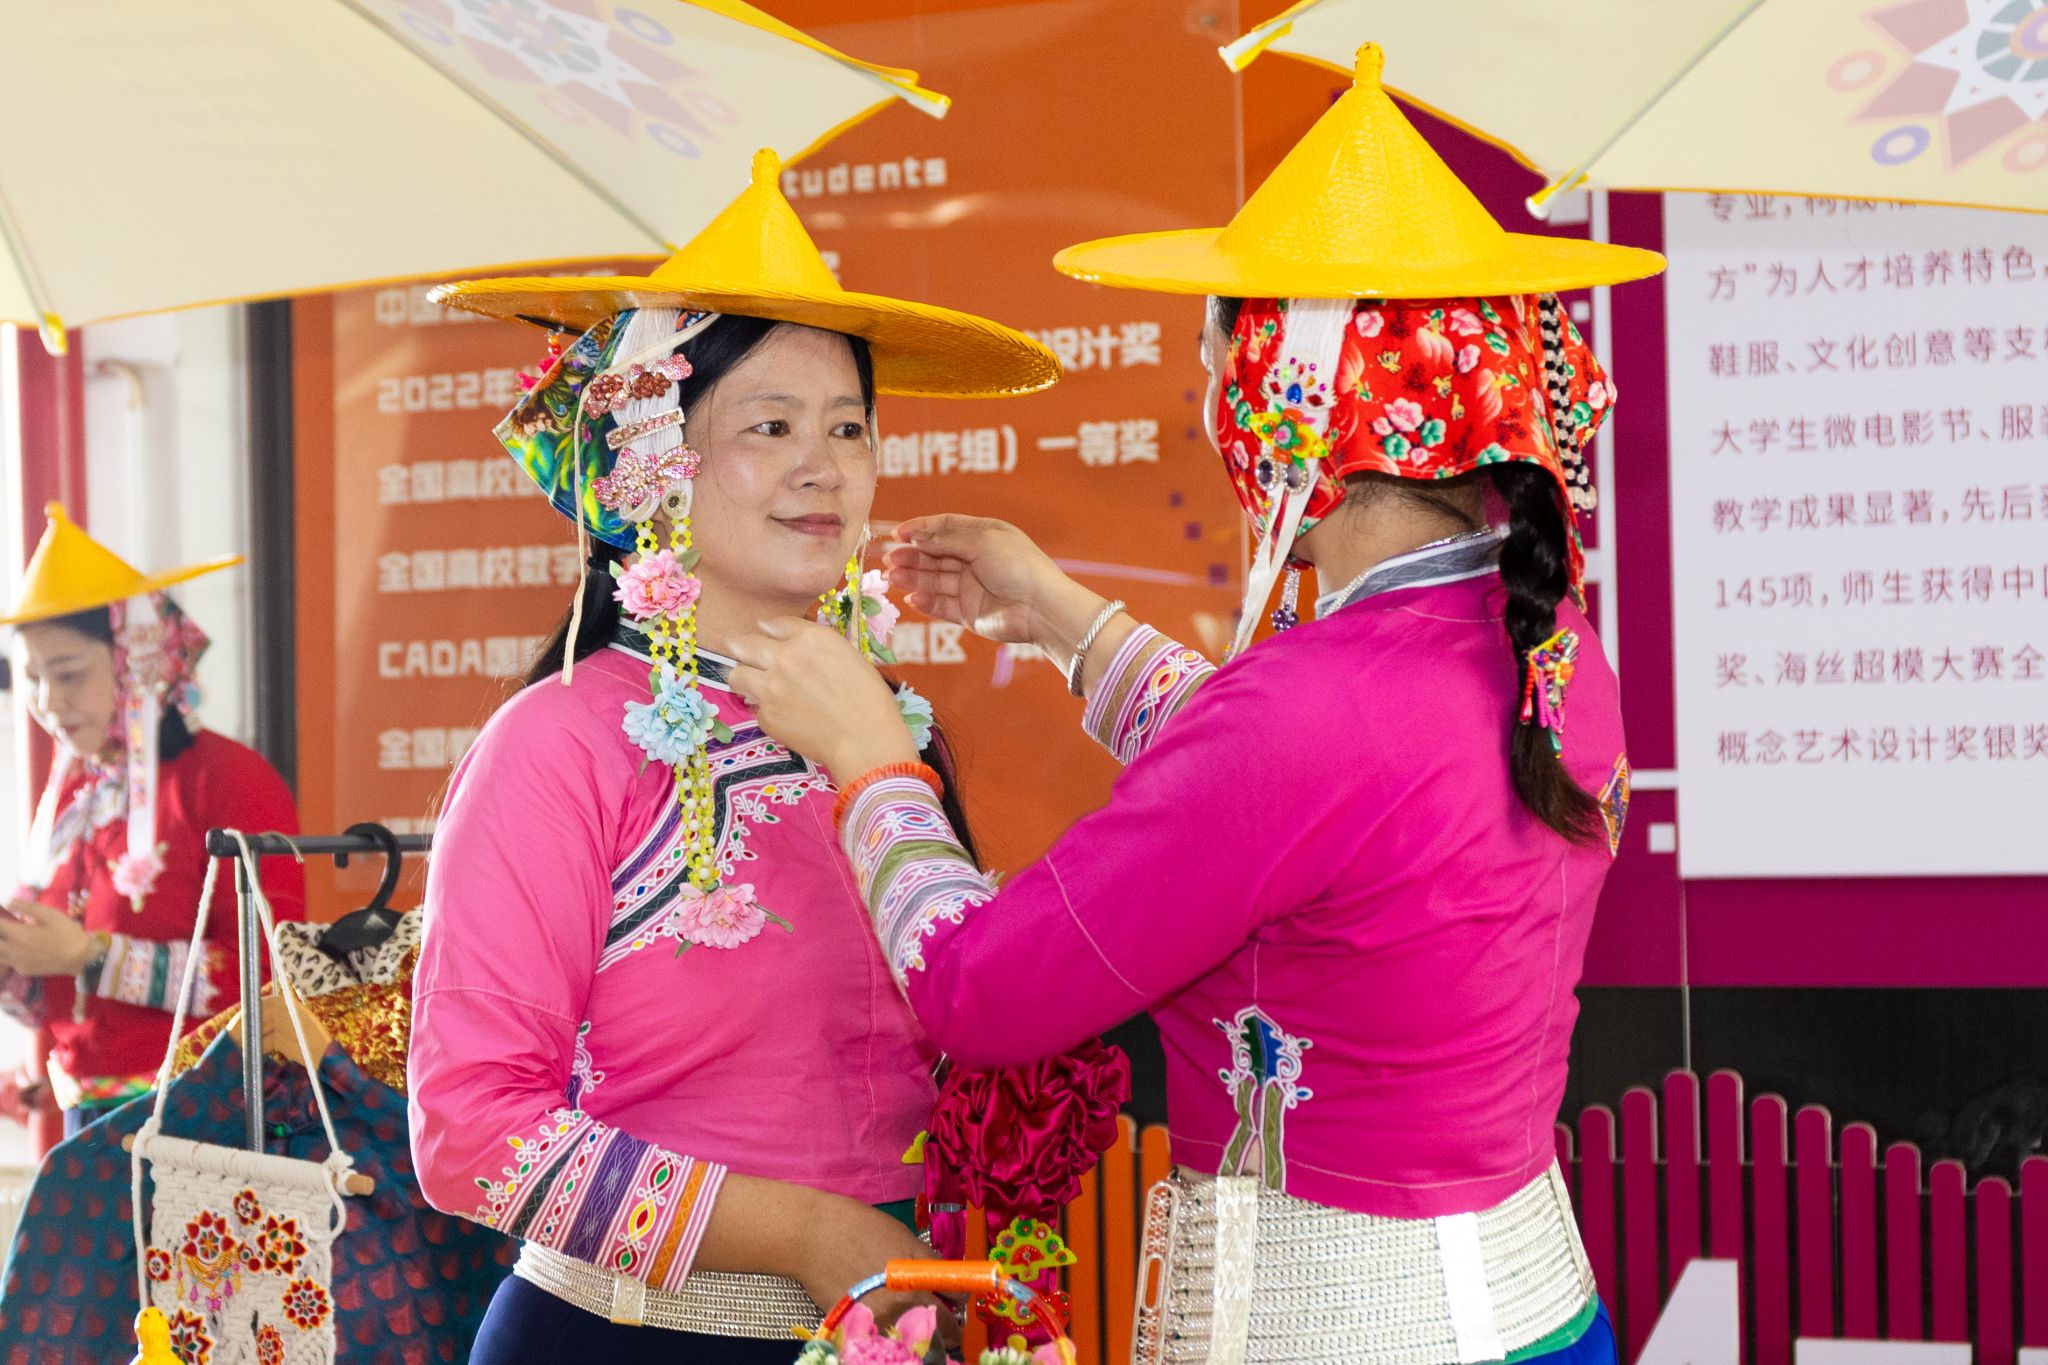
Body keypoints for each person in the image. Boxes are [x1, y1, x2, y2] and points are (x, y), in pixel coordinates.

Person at [730, 46, 1664, 1365]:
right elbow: (1299, 806)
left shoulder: (1312, 708)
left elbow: (979, 990)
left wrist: (872, 761)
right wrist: (1062, 617)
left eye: (1217, 364)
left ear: (1283, 413)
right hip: (1538, 1309)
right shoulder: (1549, 646)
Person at [409, 149, 1062, 1363]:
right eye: (771, 426)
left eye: (848, 427)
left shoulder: (888, 727)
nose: (825, 465)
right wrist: (805, 1233)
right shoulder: (556, 743)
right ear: (655, 458)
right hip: (623, 1337)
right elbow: (470, 1132)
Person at [1, 504, 304, 1138]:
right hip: (87, 1112)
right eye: (31, 679)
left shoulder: (229, 781)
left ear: (135, 658)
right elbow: (67, 996)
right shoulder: (74, 795)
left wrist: (89, 954)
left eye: (68, 674)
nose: (49, 702)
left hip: (207, 1114)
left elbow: (267, 977)